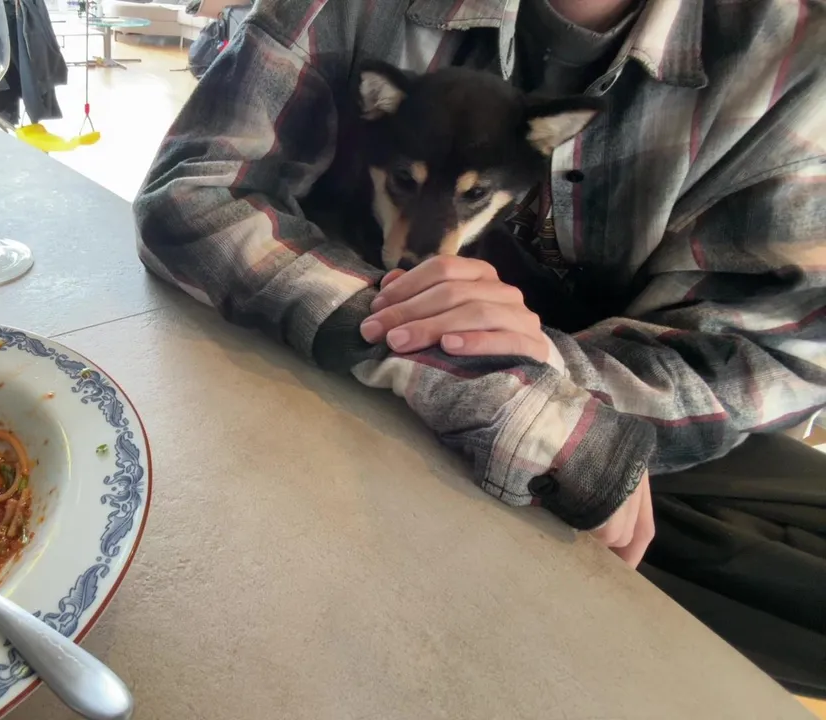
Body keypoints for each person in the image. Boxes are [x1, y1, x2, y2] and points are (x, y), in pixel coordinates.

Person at [133, 0, 826, 696]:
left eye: (471, 200)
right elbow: (195, 194)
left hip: (632, 416)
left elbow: (774, 361)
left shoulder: (794, 56)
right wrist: (506, 388)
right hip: (376, 412)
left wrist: (557, 388)